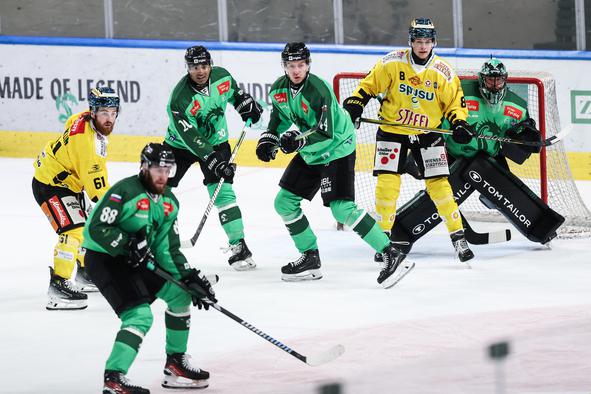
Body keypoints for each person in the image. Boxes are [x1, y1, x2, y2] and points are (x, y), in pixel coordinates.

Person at [256, 42, 412, 288]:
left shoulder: (318, 89)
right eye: (291, 65)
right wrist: (269, 138)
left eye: (300, 65)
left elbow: (325, 131)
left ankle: (391, 252)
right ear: (284, 66)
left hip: (337, 147)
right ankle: (310, 257)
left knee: (342, 209)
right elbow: (279, 118)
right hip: (310, 151)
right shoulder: (279, 89)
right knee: (284, 202)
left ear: (308, 65)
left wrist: (296, 142)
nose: (296, 70)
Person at [389, 57, 565, 249]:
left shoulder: (517, 105)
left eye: (499, 80)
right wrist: (421, 152)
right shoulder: (460, 92)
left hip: (488, 156)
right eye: (491, 80)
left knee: (505, 189)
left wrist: (527, 140)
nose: (495, 85)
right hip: (452, 153)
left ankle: (542, 227)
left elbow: (520, 134)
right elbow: (432, 118)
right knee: (442, 194)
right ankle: (400, 231)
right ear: (482, 79)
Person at [83, 143, 217, 393]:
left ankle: (175, 364)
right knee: (139, 315)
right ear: (144, 166)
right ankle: (114, 378)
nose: (163, 176)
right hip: (105, 258)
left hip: (139, 259)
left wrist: (189, 277)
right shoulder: (125, 191)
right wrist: (126, 243)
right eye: (158, 169)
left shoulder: (169, 202)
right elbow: (96, 229)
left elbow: (168, 249)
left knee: (180, 294)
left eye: (168, 170)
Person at [342, 18, 475, 265]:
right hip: (392, 131)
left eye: (427, 41)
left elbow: (455, 105)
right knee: (387, 185)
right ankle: (382, 241)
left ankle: (459, 238)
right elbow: (368, 86)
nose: (423, 46)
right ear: (410, 41)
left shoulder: (443, 72)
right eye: (418, 41)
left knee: (439, 186)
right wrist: (355, 104)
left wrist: (459, 123)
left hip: (428, 134)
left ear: (434, 42)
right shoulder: (392, 62)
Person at [163, 45, 262, 271]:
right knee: (159, 189)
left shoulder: (222, 77)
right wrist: (211, 158)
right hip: (180, 145)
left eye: (204, 66)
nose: (200, 71)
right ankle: (158, 243)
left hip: (217, 141)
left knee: (224, 192)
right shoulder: (179, 99)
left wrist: (246, 107)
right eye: (195, 67)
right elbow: (190, 135)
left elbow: (236, 96)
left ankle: (239, 246)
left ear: (211, 65)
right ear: (188, 68)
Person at [32, 87, 120, 310]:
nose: (109, 119)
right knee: (74, 230)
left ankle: (84, 272)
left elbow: (71, 123)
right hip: (50, 184)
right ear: (93, 112)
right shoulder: (87, 146)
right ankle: (58, 285)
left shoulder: (83, 118)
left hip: (67, 183)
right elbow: (98, 194)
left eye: (113, 112)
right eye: (104, 113)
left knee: (88, 226)